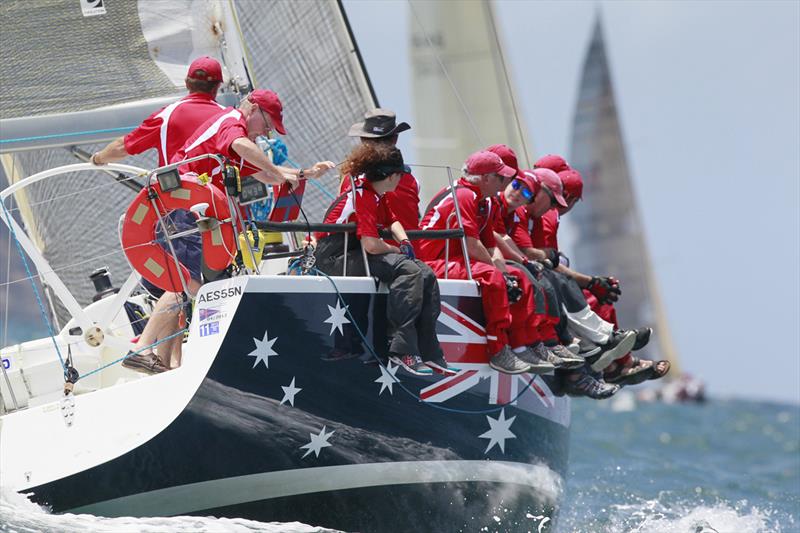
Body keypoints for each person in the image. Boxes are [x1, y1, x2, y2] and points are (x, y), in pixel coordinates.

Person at [91, 57, 227, 373]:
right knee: (183, 282)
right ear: (219, 87)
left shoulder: (168, 116)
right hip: (213, 213)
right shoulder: (226, 117)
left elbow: (126, 145)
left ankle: (164, 362)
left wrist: (99, 157)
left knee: (178, 280)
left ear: (187, 83)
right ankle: (146, 346)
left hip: (173, 212)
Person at [314, 142, 449, 374]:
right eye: (401, 174)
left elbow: (392, 221)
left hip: (353, 250)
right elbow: (372, 245)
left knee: (425, 272)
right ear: (391, 176)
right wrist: (397, 251)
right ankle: (399, 349)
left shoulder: (377, 192)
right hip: (335, 255)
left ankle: (430, 352)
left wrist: (404, 241)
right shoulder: (365, 196)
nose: (402, 178)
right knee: (409, 270)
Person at [417, 151, 555, 375]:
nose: (507, 182)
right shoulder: (464, 196)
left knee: (517, 276)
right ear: (486, 178)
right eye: (502, 178)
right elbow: (472, 245)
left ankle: (523, 344)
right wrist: (497, 273)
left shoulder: (487, 202)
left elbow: (490, 246)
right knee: (493, 277)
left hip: (457, 259)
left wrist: (505, 274)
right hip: (434, 262)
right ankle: (498, 350)